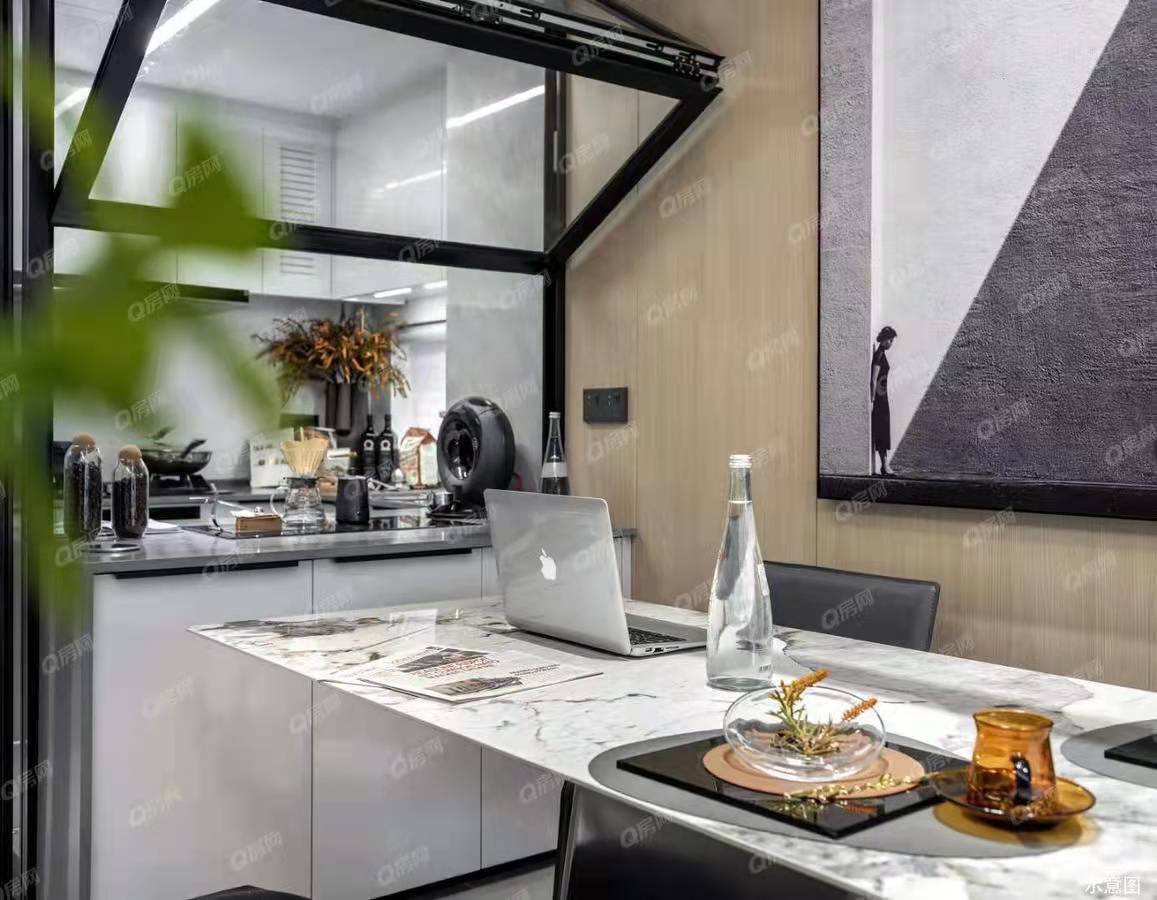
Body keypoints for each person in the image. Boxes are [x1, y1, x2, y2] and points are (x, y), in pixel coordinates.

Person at [870, 326, 897, 476]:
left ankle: (884, 465)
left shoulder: (882, 354)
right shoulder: (879, 355)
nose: (891, 343)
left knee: (884, 430)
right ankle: (885, 466)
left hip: (883, 397)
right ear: (885, 339)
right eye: (891, 340)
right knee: (882, 431)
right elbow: (873, 380)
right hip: (879, 399)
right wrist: (872, 400)